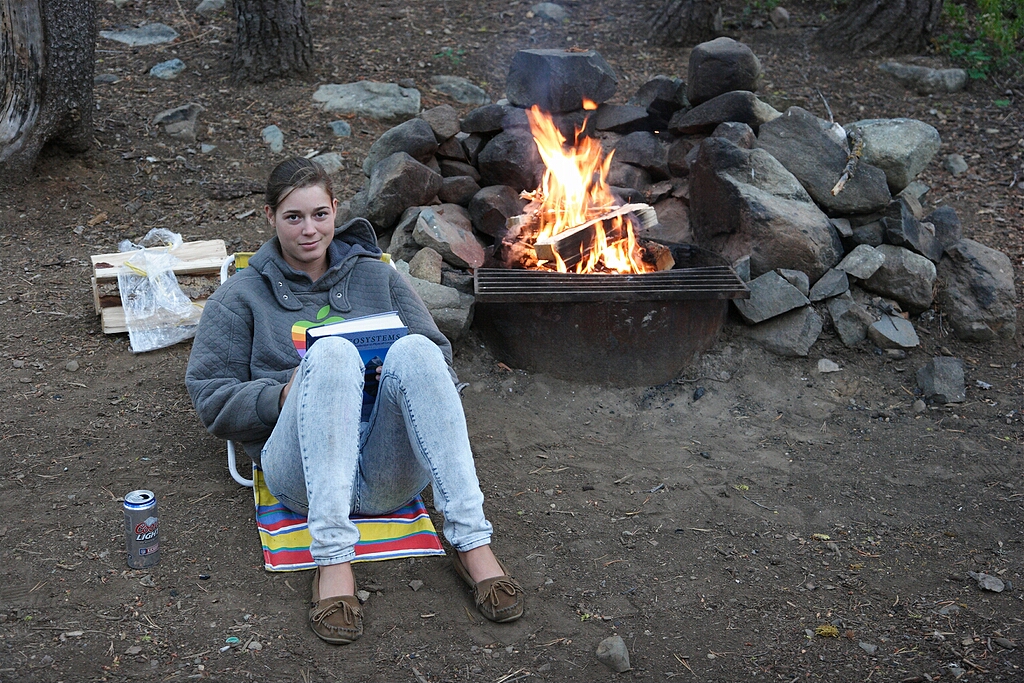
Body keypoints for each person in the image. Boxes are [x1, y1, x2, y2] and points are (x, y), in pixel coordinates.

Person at [185, 157, 524, 644]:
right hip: (303, 476)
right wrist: (285, 393)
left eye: (320, 214)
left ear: (336, 211)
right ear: (269, 217)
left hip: (389, 473)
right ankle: (334, 563)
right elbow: (212, 399)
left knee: (416, 348)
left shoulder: (378, 276)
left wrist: (390, 376)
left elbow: (439, 362)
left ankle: (473, 543)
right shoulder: (240, 296)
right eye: (293, 217)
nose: (309, 230)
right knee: (333, 355)